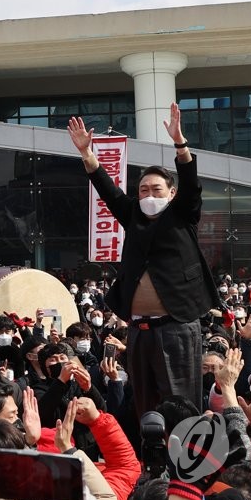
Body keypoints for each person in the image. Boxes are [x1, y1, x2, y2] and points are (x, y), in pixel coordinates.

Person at [68, 102, 216, 417]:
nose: (149, 194)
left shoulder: (183, 214)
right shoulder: (133, 214)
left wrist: (180, 143)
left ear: (171, 193)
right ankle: (152, 461)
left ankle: (184, 463)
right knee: (146, 406)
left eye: (156, 189)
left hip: (176, 327)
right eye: (143, 189)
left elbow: (191, 184)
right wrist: (86, 153)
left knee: (181, 406)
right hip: (138, 330)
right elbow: (108, 190)